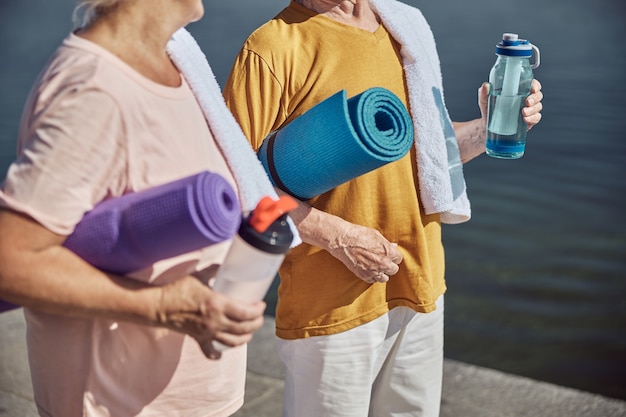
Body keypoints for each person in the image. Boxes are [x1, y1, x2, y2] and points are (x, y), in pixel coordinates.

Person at [223, 0, 543, 416]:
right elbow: (231, 184)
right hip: (332, 301)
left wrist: (491, 127)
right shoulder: (272, 47)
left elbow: (431, 154)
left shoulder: (404, 26)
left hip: (421, 281)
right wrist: (339, 237)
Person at [0, 0, 296, 416]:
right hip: (116, 402)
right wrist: (165, 308)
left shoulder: (176, 62)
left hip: (190, 398)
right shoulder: (95, 89)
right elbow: (10, 262)